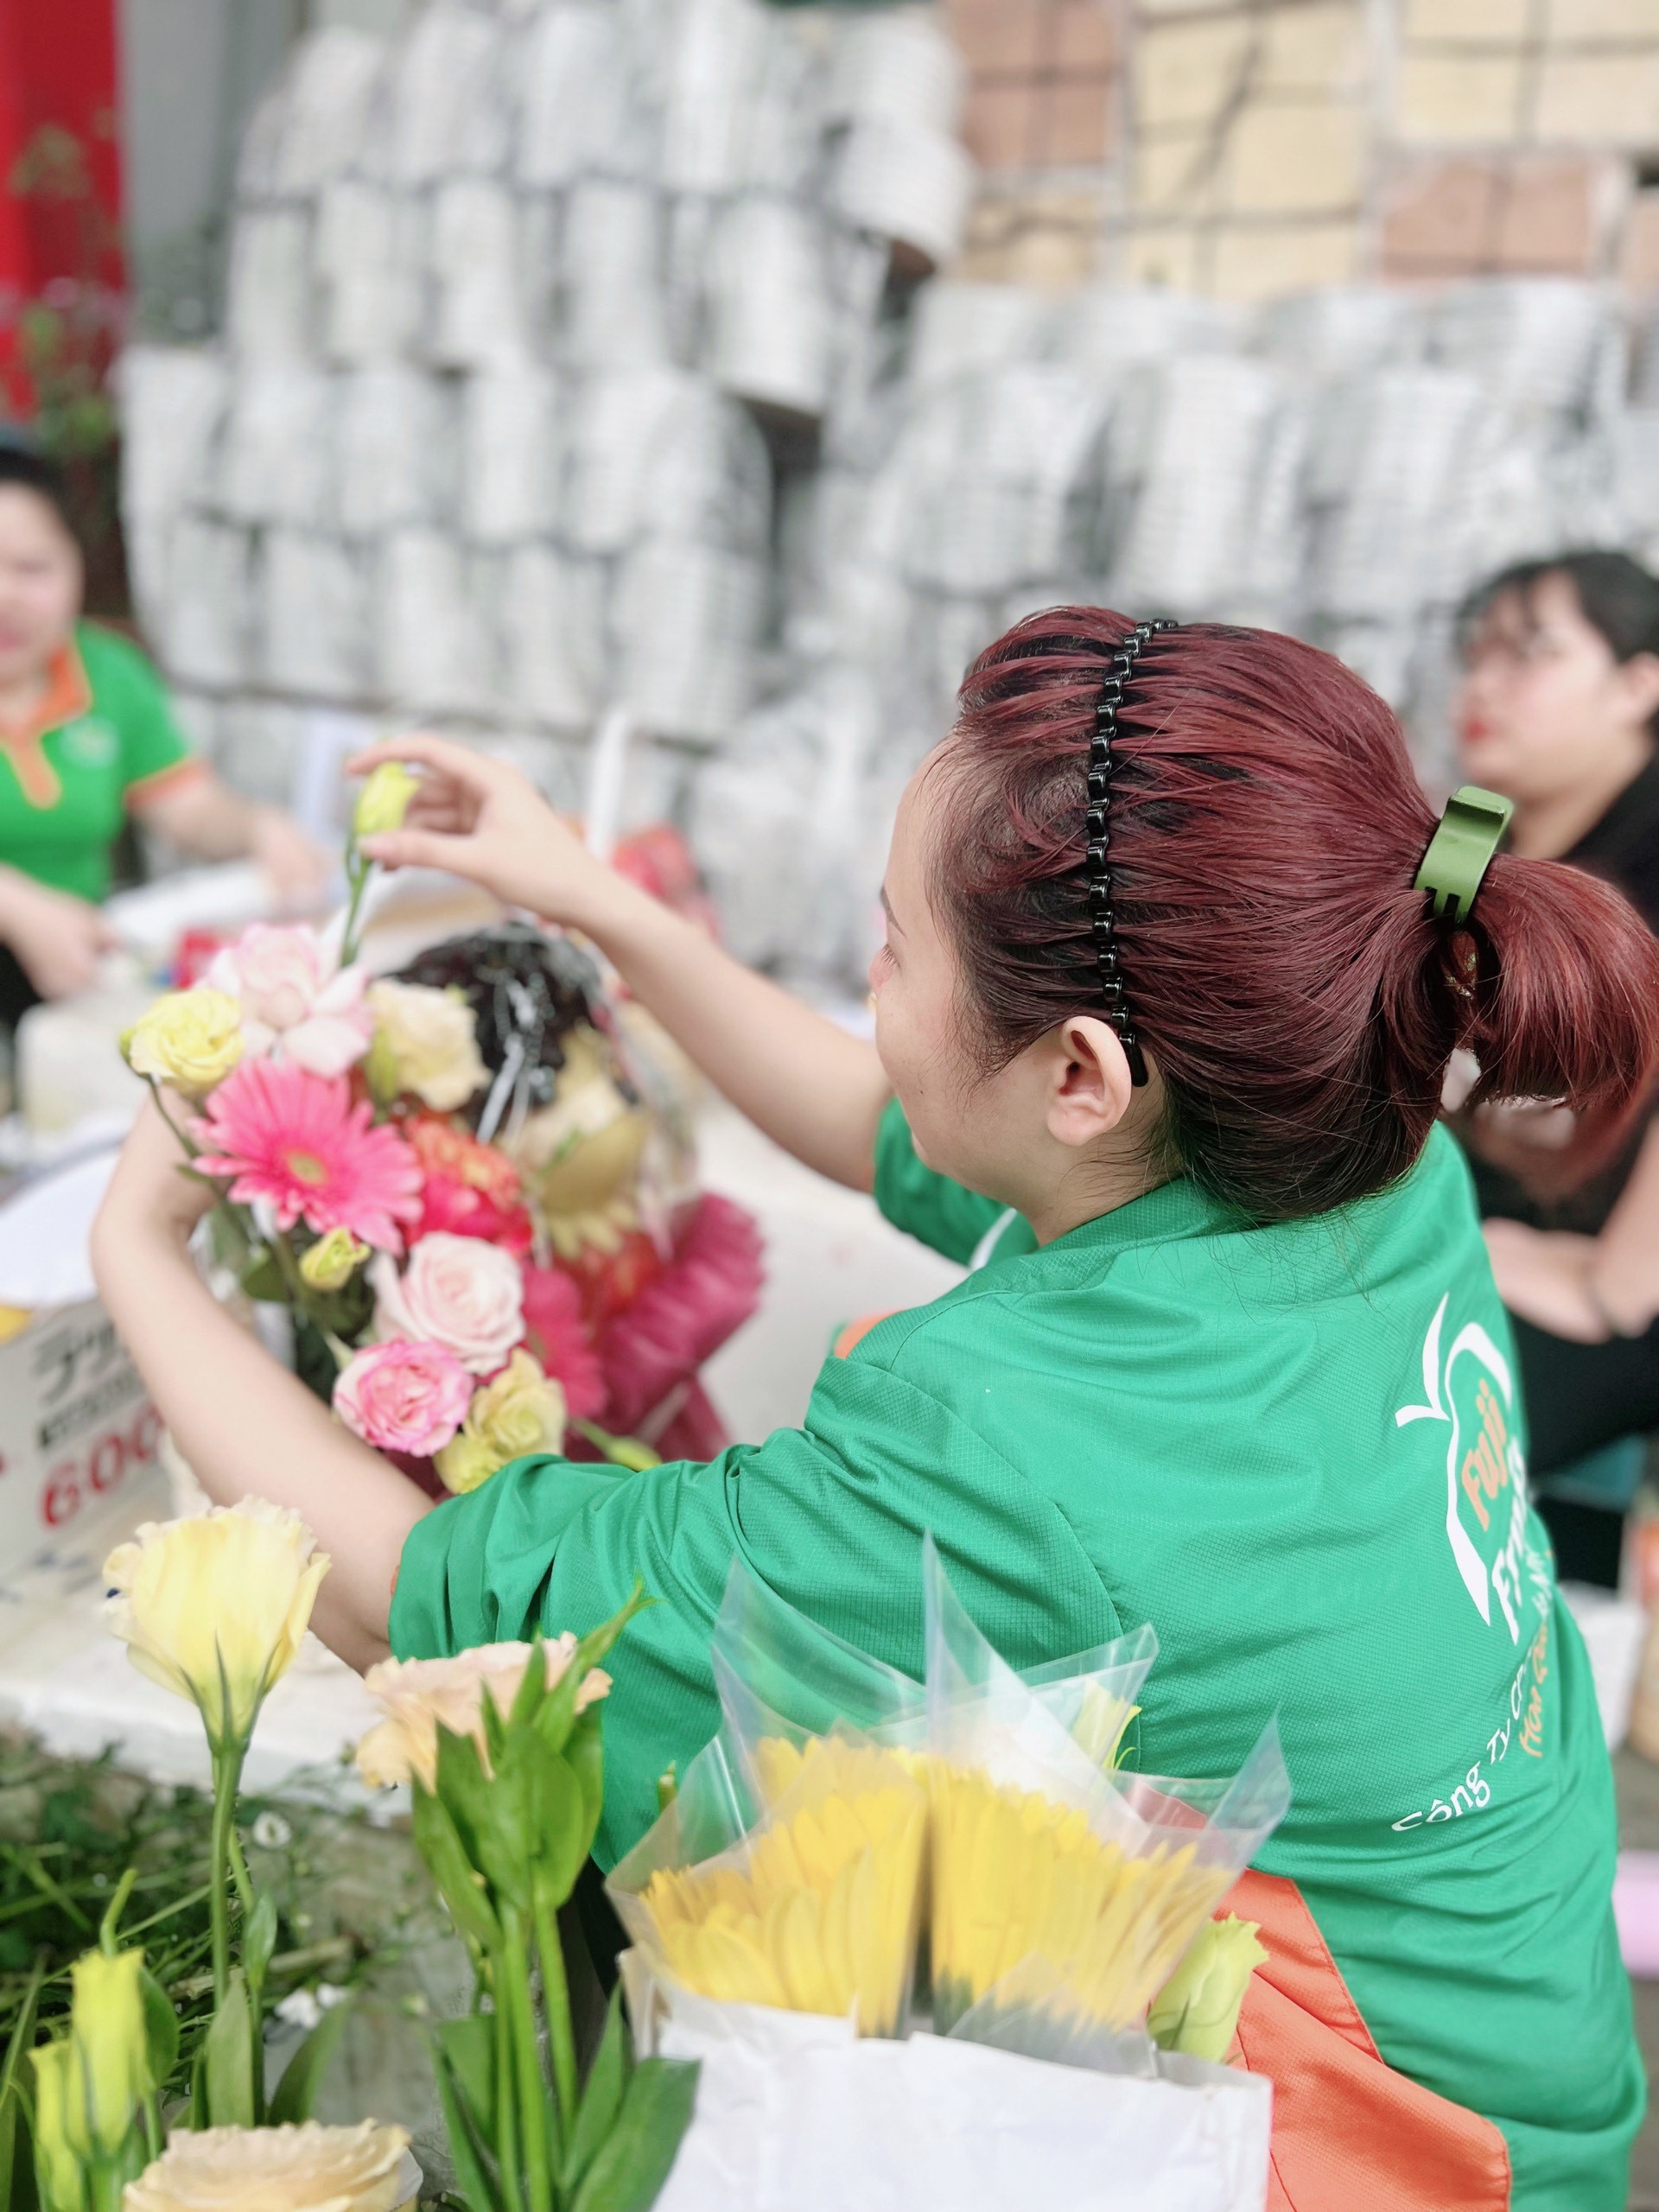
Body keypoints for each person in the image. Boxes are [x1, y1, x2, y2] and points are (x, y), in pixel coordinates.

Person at [92, 612, 1659, 2209]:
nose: (868, 977)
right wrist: (590, 896)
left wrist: (137, 1248)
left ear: (1084, 1078)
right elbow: (888, 1117)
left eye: (895, 944)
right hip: (1537, 2060)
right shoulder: (1365, 1144)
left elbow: (435, 1607)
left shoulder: (1007, 1436)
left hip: (1372, 2155)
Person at [1453, 551, 1659, 1583]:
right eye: (1476, 651)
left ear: (1640, 683)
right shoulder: (1471, 822)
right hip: (1481, 1214)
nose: (1483, 684)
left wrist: (1615, 1288)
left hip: (1621, 1277)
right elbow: (1388, 1007)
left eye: (1530, 652)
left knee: (1417, 1431)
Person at [0, 445, 326, 1025]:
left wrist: (255, 827)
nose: (7, 598)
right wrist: (20, 910)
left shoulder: (109, 674)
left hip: (74, 976)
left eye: (32, 569)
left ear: (80, 565)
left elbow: (187, 808)